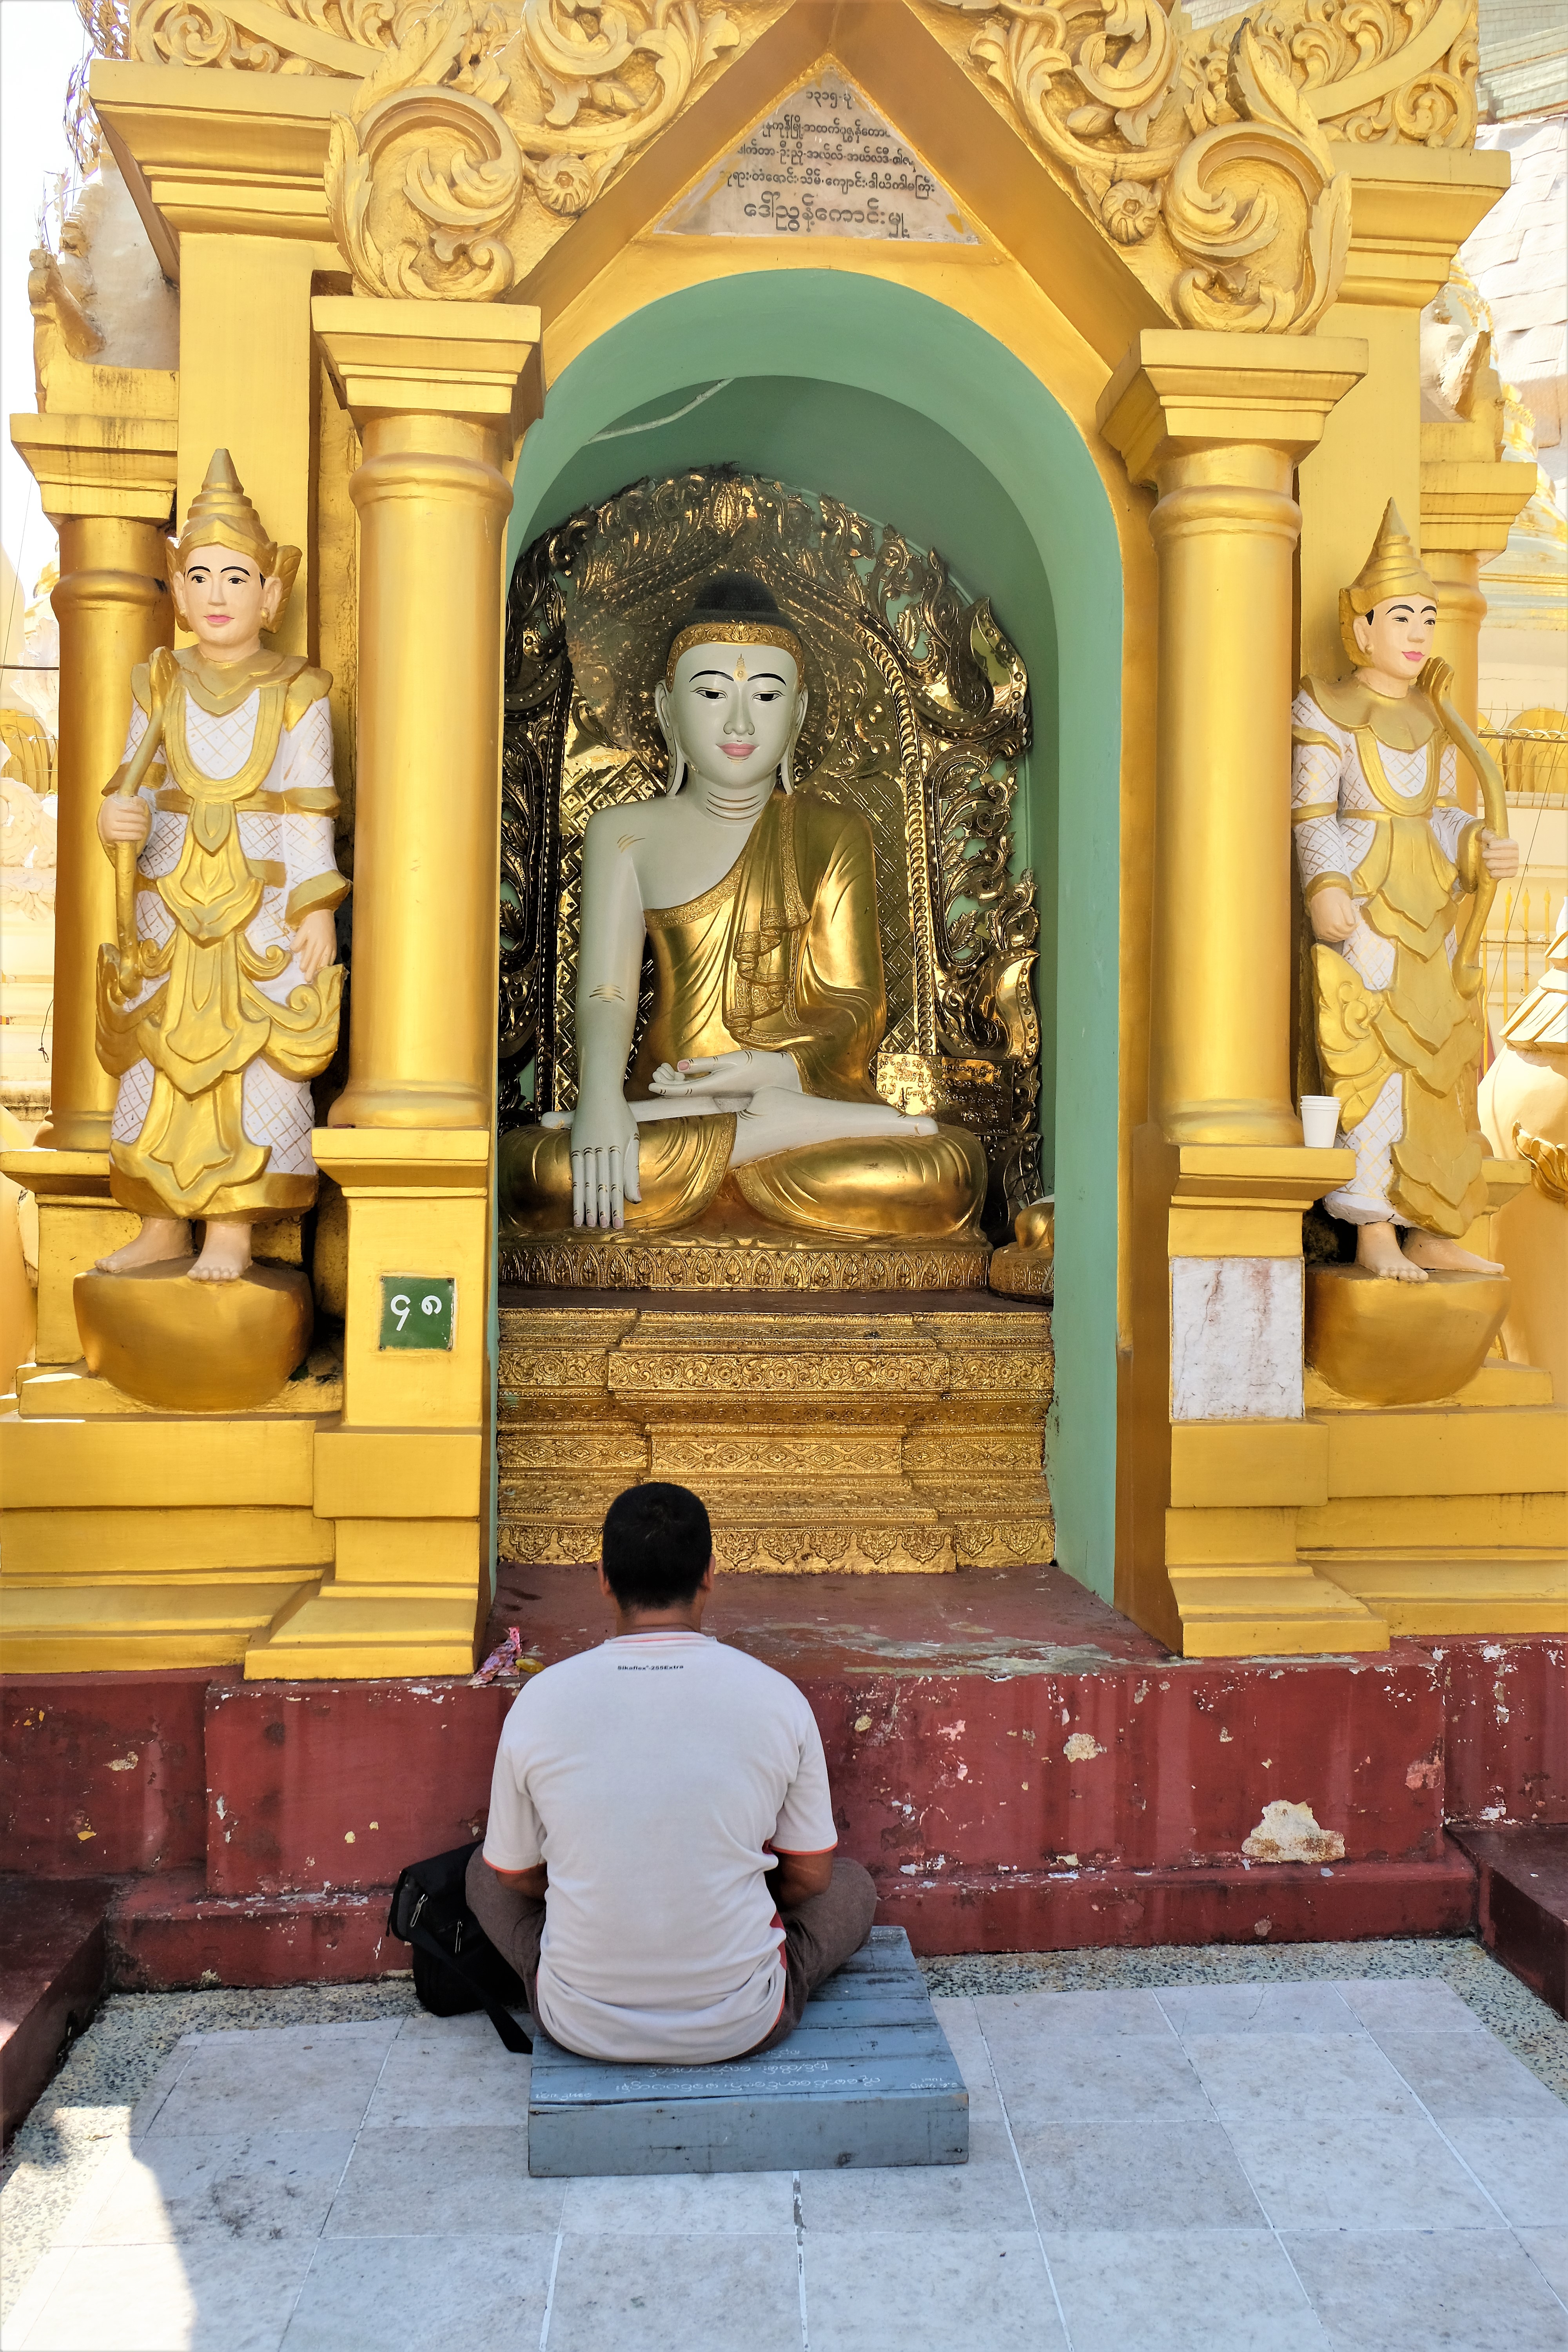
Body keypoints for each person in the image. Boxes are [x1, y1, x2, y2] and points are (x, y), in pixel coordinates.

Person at [500, 571, 986, 1239]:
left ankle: (771, 1125)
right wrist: (602, 1104)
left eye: (766, 695)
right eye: (710, 693)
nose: (738, 722)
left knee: (948, 1170)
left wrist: (774, 1070)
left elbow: (857, 1005)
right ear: (667, 708)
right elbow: (608, 993)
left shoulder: (833, 832)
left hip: (799, 1101)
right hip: (668, 1110)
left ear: (799, 712)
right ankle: (760, 1134)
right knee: (537, 1169)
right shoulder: (625, 833)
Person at [466, 1481, 877, 2062]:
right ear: (709, 1574)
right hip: (742, 2020)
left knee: (484, 1872)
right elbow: (811, 1879)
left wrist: (597, 1887)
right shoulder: (777, 1696)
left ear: (604, 1578)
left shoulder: (540, 1699)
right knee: (853, 1887)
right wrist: (713, 1890)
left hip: (580, 2021)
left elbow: (514, 1877)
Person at [1293, 499, 1519, 1281]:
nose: (1418, 633)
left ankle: (1431, 1222)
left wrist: (1475, 844)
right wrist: (1324, 885)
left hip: (1432, 907)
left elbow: (1442, 810)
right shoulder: (1325, 707)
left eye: (1426, 618)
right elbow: (1311, 810)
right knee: (1375, 1062)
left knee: (1441, 1063)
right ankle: (1374, 1229)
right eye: (1400, 618)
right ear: (1359, 629)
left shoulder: (1434, 713)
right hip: (1367, 902)